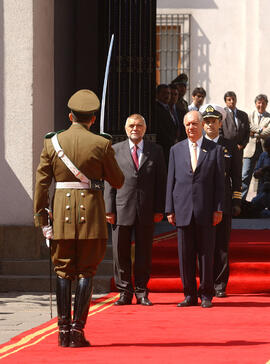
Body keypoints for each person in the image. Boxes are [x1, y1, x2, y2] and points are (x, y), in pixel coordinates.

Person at [34, 89, 124, 347]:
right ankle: (77, 331)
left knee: (62, 270)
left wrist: (42, 217)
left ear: (70, 116)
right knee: (86, 271)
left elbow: (41, 184)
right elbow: (117, 180)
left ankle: (62, 332)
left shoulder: (52, 143)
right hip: (92, 217)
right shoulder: (102, 143)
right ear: (92, 119)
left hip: (61, 215)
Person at [104, 114, 167, 306]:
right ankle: (124, 292)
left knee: (143, 253)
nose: (135, 128)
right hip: (121, 209)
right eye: (131, 125)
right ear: (125, 128)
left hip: (146, 210)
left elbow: (160, 182)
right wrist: (109, 209)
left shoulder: (155, 151)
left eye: (139, 125)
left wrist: (159, 208)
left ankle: (141, 292)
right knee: (120, 253)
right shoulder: (114, 150)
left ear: (145, 129)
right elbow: (109, 182)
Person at [166, 110, 225, 308]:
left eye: (194, 124)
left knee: (206, 254)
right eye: (187, 124)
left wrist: (218, 209)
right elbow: (171, 181)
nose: (191, 127)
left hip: (206, 210)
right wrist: (169, 209)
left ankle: (206, 294)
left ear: (201, 125)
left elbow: (219, 183)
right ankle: (189, 294)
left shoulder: (215, 150)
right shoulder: (176, 149)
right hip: (182, 210)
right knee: (185, 255)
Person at [201, 104, 242, 297]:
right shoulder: (197, 145)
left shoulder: (230, 145)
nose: (210, 125)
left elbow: (236, 175)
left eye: (213, 121)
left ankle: (220, 285)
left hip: (223, 201)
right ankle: (204, 282)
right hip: (201, 202)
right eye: (207, 121)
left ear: (220, 123)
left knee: (221, 245)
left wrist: (236, 201)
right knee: (202, 245)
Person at [242, 94, 270, 200]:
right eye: (259, 102)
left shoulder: (269, 117)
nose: (261, 105)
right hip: (250, 150)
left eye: (263, 102)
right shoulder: (249, 115)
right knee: (245, 176)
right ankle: (240, 202)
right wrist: (261, 130)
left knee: (262, 176)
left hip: (264, 150)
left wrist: (254, 133)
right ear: (256, 104)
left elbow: (268, 132)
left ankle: (259, 202)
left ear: (266, 104)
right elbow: (248, 126)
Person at [155, 84, 178, 167]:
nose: (167, 96)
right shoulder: (157, 109)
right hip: (164, 147)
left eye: (168, 93)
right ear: (157, 95)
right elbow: (161, 129)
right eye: (164, 93)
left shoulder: (168, 108)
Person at [221, 91, 250, 158]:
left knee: (237, 168)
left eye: (233, 99)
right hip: (226, 149)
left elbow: (247, 131)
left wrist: (242, 145)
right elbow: (220, 132)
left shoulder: (243, 115)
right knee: (226, 168)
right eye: (229, 100)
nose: (232, 101)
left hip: (239, 149)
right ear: (225, 102)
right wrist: (224, 147)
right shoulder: (222, 114)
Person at [251, 137, 270, 215]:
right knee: (253, 204)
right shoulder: (264, 155)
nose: (268, 153)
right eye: (267, 151)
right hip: (264, 189)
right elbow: (255, 174)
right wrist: (263, 170)